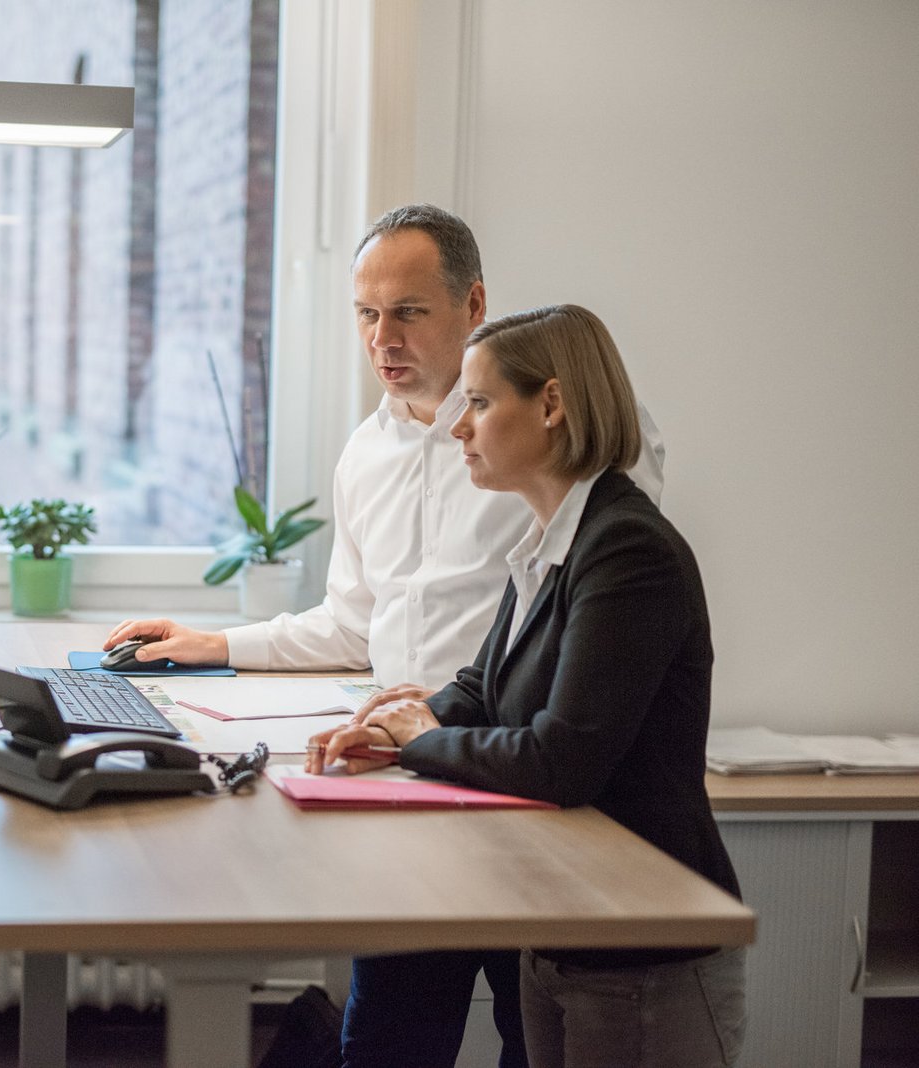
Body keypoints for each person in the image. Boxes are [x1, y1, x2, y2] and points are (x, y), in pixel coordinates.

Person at [106, 205, 663, 1068]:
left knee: (535, 1037)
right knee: (389, 1036)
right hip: (411, 773)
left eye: (408, 310)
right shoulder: (366, 451)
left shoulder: (558, 444)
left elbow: (593, 617)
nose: (382, 337)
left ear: (473, 303)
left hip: (531, 782)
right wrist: (218, 645)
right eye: (367, 313)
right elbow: (353, 623)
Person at [309, 305, 746, 1068]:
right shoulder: (550, 538)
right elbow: (482, 686)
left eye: (478, 404)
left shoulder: (626, 548)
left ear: (550, 405)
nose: (458, 429)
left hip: (638, 943)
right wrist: (392, 727)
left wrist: (421, 741)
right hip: (565, 927)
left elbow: (560, 758)